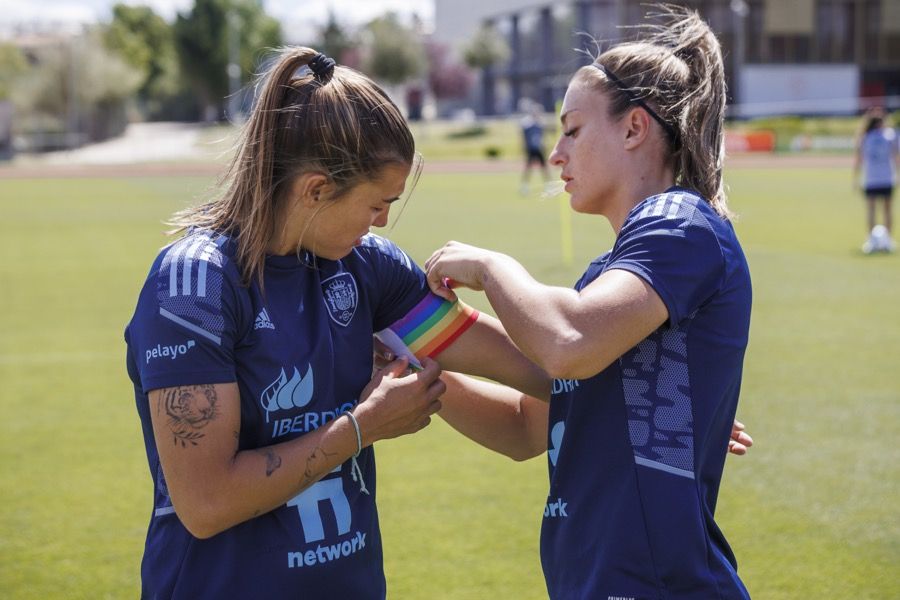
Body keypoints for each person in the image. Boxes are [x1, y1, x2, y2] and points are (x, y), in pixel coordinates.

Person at [123, 47, 548, 599]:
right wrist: (361, 427)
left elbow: (534, 368)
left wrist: (611, 336)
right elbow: (206, 503)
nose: (383, 222)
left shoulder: (369, 267)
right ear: (316, 190)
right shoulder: (195, 286)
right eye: (375, 205)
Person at [425, 6, 753, 598]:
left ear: (634, 129)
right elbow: (525, 429)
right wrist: (424, 377)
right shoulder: (607, 279)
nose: (556, 154)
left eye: (572, 129)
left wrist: (491, 266)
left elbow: (566, 342)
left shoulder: (679, 222)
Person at [854, 107, 898, 253]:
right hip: (872, 178)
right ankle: (871, 239)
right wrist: (857, 177)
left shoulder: (890, 135)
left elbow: (896, 156)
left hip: (886, 177)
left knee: (887, 209)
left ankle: (888, 239)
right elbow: (859, 159)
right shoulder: (865, 137)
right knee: (872, 210)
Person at [519, 98, 552, 196]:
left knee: (544, 168)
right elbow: (524, 138)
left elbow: (543, 136)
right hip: (531, 149)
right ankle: (524, 186)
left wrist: (545, 145)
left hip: (539, 149)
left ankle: (548, 185)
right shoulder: (527, 124)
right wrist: (524, 147)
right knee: (528, 168)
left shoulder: (540, 123)